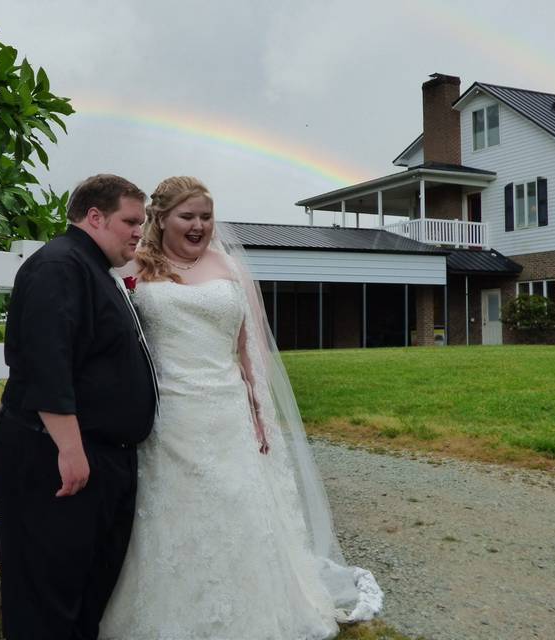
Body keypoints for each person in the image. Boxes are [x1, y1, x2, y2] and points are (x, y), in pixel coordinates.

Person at [99, 176, 383, 639]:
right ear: (162, 218)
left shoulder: (228, 266)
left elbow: (251, 346)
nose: (198, 226)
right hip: (169, 414)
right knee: (171, 513)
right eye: (187, 217)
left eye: (206, 217)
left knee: (237, 507)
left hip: (225, 409)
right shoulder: (137, 268)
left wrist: (259, 410)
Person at [0, 174, 159, 640]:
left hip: (101, 456)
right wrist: (70, 449)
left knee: (86, 590)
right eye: (130, 221)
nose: (137, 232)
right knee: (48, 594)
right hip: (59, 456)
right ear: (94, 217)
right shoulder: (59, 266)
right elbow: (48, 363)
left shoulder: (92, 269)